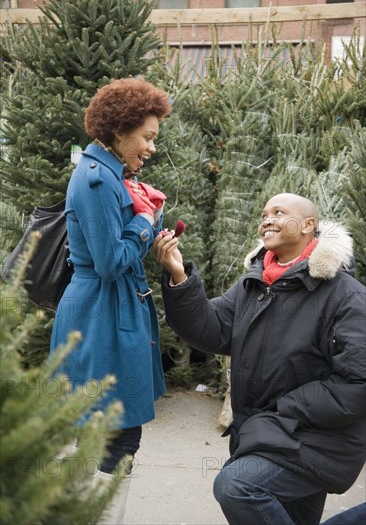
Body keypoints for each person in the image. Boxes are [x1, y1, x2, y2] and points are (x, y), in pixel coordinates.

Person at [154, 193, 366, 525]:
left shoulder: (346, 297)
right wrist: (179, 277)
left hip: (316, 438)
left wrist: (286, 409)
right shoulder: (255, 284)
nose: (266, 219)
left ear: (309, 224)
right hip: (270, 432)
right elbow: (212, 329)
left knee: (237, 486)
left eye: (279, 212)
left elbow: (358, 383)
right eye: (264, 214)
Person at [50, 78, 171, 481]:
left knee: (109, 433)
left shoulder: (108, 171)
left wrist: (149, 223)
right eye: (146, 137)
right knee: (114, 437)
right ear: (119, 132)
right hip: (100, 312)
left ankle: (87, 506)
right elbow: (108, 261)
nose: (152, 147)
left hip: (107, 308)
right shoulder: (96, 179)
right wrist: (144, 219)